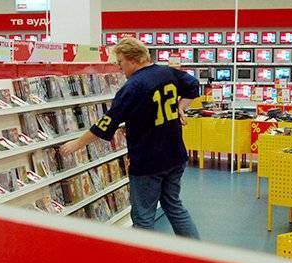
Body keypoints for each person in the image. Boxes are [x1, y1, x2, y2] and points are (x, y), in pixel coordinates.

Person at [60, 37, 200, 238]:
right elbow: (193, 85)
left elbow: (107, 123)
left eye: (120, 62)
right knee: (174, 205)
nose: (119, 68)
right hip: (175, 154)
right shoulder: (167, 72)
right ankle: (194, 250)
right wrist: (180, 108)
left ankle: (143, 257)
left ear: (133, 60)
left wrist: (77, 144)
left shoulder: (133, 86)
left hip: (148, 161)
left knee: (143, 218)